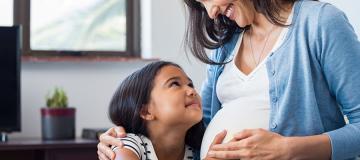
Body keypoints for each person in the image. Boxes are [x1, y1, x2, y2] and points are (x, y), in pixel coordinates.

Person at [98, 0, 360, 159]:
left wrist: (288, 149)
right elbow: (199, 132)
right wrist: (131, 137)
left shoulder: (320, 23)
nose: (211, 12)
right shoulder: (224, 46)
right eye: (202, 5)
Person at [106, 61, 207, 160]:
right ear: (146, 111)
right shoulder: (126, 144)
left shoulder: (198, 149)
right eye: (175, 84)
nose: (192, 91)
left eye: (190, 85)